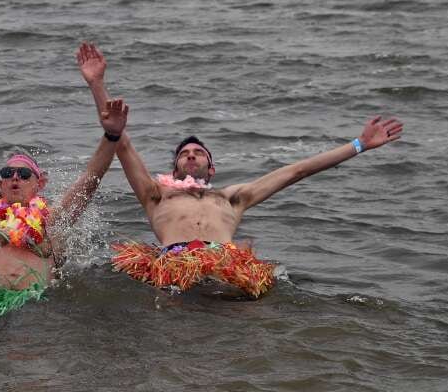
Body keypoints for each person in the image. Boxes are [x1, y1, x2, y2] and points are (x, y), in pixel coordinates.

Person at [76, 42, 404, 297]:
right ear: (174, 170)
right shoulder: (156, 195)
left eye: (198, 152)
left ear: (212, 167)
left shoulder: (233, 198)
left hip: (226, 265)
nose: (191, 156)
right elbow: (120, 141)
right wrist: (97, 85)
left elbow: (297, 171)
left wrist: (358, 145)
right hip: (174, 265)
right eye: (184, 154)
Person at [0, 96, 128, 292]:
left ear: (38, 185)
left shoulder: (52, 220)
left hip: (37, 305)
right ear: (0, 185)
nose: (15, 177)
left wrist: (111, 137)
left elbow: (89, 182)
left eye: (23, 174)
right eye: (7, 173)